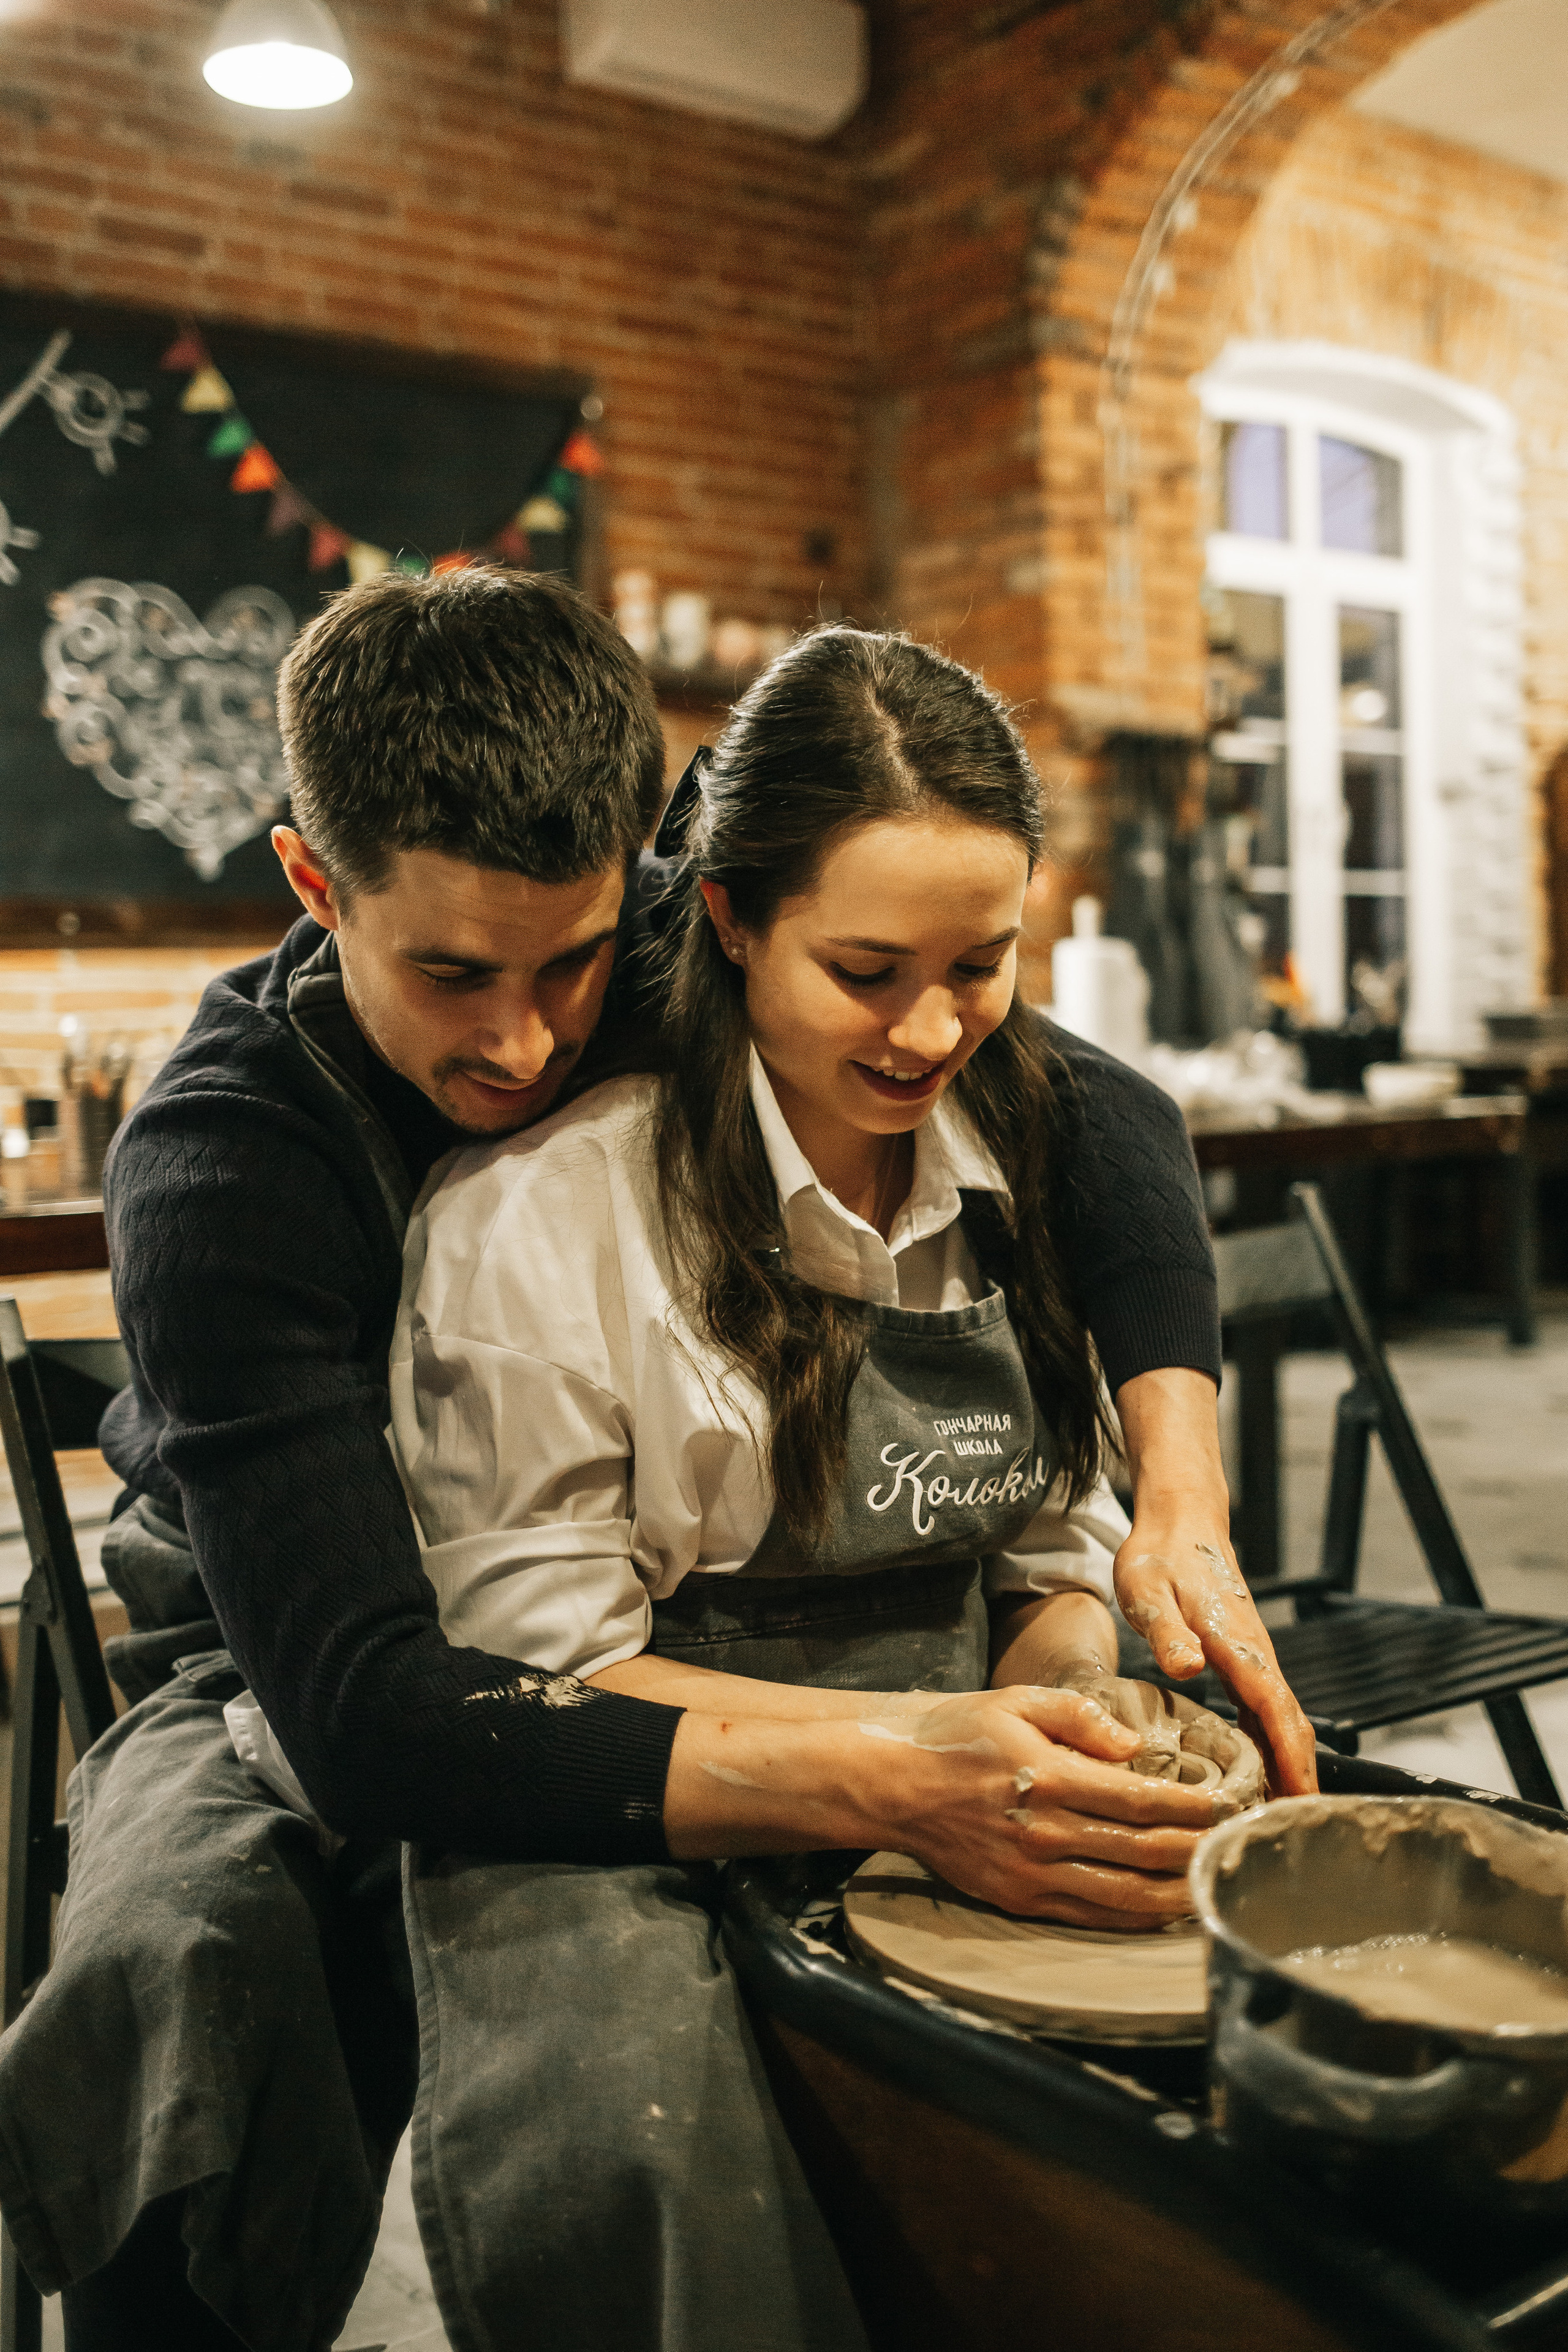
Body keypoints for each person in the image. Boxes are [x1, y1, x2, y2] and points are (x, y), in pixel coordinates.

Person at [0, 569, 1313, 2352]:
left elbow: (1099, 1104)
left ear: (668, 875)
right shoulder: (227, 1159)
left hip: (611, 1594)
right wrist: (907, 1765)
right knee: (191, 1974)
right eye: (451, 975)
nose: (526, 1043)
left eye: (572, 963)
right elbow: (377, 1716)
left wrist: (1179, 1495)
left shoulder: (687, 924)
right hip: (290, 1629)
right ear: (315, 885)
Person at [385, 625, 1286, 2351]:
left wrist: (1077, 1703)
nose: (933, 1030)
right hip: (627, 1779)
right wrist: (929, 1761)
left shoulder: (1025, 1173)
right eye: (867, 971)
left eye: (982, 966)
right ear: (729, 919)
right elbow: (537, 1671)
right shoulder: (543, 1219)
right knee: (647, 2145)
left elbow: (1045, 1553)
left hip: (965, 1732)